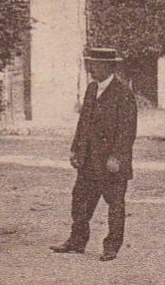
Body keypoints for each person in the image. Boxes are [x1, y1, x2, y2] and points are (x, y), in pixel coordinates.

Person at [52, 47, 138, 262]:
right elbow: (83, 123)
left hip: (111, 163)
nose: (93, 68)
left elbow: (127, 130)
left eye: (98, 64)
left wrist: (116, 157)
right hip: (89, 160)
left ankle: (111, 247)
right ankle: (77, 241)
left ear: (110, 67)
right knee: (79, 199)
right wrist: (76, 149)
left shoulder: (123, 93)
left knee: (115, 205)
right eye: (91, 64)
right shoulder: (91, 89)